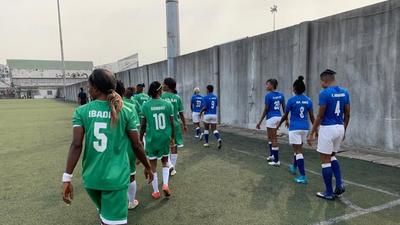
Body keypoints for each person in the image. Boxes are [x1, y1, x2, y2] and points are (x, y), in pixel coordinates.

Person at [61, 69, 153, 225]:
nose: (88, 89)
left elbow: (76, 145)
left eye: (89, 86)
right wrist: (148, 166)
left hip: (91, 179)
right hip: (115, 180)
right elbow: (136, 145)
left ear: (96, 88)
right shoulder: (127, 111)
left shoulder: (81, 111)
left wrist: (67, 178)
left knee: (105, 217)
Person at [307, 69, 350, 200]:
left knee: (325, 161)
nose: (321, 84)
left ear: (325, 81)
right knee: (332, 156)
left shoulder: (324, 93)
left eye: (321, 82)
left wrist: (312, 132)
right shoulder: (345, 92)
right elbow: (347, 114)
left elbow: (320, 115)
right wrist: (344, 130)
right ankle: (339, 184)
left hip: (328, 128)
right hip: (340, 127)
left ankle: (329, 192)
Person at [140, 81, 175, 199]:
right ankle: (165, 184)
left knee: (152, 165)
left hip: (152, 138)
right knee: (165, 161)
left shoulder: (145, 105)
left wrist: (140, 139)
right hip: (164, 137)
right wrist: (173, 137)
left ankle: (156, 192)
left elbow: (143, 125)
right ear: (160, 91)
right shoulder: (167, 104)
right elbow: (172, 123)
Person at [277, 76, 315, 184]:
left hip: (294, 129)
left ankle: (303, 176)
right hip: (305, 129)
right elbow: (312, 117)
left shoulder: (292, 100)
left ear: (294, 89)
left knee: (298, 151)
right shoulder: (308, 100)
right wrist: (315, 130)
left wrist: (278, 125)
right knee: (298, 148)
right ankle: (294, 167)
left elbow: (285, 115)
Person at [115, 80, 141, 209]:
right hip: (128, 149)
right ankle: (131, 202)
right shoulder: (130, 108)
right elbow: (135, 134)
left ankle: (117, 204)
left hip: (108, 151)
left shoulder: (97, 109)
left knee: (113, 176)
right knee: (131, 175)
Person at [256, 79, 285, 166]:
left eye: (267, 84)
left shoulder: (268, 96)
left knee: (273, 139)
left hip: (271, 118)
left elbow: (266, 109)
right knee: (270, 137)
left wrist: (260, 121)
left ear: (272, 85)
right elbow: (284, 108)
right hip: (279, 117)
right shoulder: (281, 95)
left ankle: (276, 161)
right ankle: (272, 155)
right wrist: (286, 119)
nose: (266, 86)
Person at [161, 77, 187, 176]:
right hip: (175, 125)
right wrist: (184, 124)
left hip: (164, 126)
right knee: (174, 146)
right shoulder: (177, 98)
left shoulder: (161, 97)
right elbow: (181, 113)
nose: (162, 86)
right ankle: (172, 168)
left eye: (164, 84)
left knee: (164, 146)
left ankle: (170, 166)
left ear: (168, 86)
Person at [200, 85, 222, 149]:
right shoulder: (215, 97)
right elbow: (216, 105)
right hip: (214, 115)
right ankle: (219, 139)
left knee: (206, 129)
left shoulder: (205, 97)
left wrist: (200, 112)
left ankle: (206, 143)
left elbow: (205, 107)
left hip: (207, 115)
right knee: (214, 129)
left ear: (208, 90)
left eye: (206, 89)